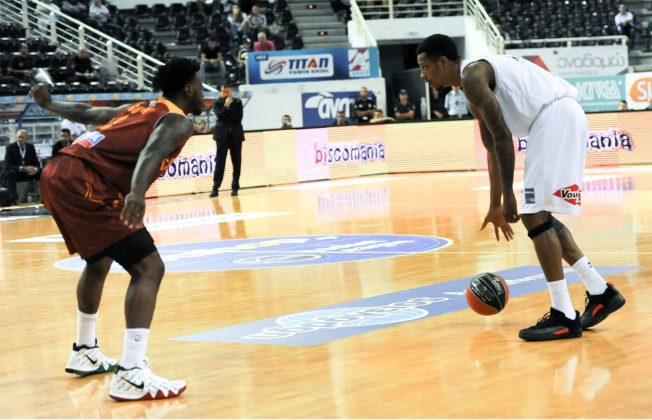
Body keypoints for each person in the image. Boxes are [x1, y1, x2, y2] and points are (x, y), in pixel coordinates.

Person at [416, 34, 626, 341]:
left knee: (533, 214)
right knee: (540, 217)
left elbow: (504, 139)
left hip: (555, 117)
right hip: (554, 118)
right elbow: (491, 148)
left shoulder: (472, 76)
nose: (422, 75)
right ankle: (600, 291)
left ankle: (564, 316)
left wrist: (508, 196)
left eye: (424, 67)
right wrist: (494, 204)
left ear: (443, 62)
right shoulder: (470, 89)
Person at [28, 57, 204, 401]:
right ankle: (132, 373)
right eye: (199, 86)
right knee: (149, 268)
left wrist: (50, 104)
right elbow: (151, 151)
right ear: (187, 89)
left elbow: (88, 113)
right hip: (84, 179)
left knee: (99, 260)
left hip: (59, 172)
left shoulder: (140, 108)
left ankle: (85, 351)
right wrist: (136, 192)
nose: (202, 92)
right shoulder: (177, 121)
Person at [210, 84, 244, 197]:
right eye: (223, 91)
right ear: (221, 92)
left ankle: (235, 186)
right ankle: (215, 187)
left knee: (236, 161)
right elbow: (219, 116)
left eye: (227, 91)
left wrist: (225, 117)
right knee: (220, 161)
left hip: (235, 135)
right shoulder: (217, 103)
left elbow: (238, 118)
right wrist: (225, 106)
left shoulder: (238, 102)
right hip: (222, 136)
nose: (225, 94)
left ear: (231, 91)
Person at [3, 129, 41, 204]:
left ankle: (43, 197)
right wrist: (23, 168)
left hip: (28, 173)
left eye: (22, 137)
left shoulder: (30, 147)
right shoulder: (10, 147)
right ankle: (13, 199)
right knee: (10, 174)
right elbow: (8, 165)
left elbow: (36, 163)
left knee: (42, 172)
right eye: (18, 137)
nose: (20, 139)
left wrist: (35, 169)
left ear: (26, 138)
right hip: (16, 172)